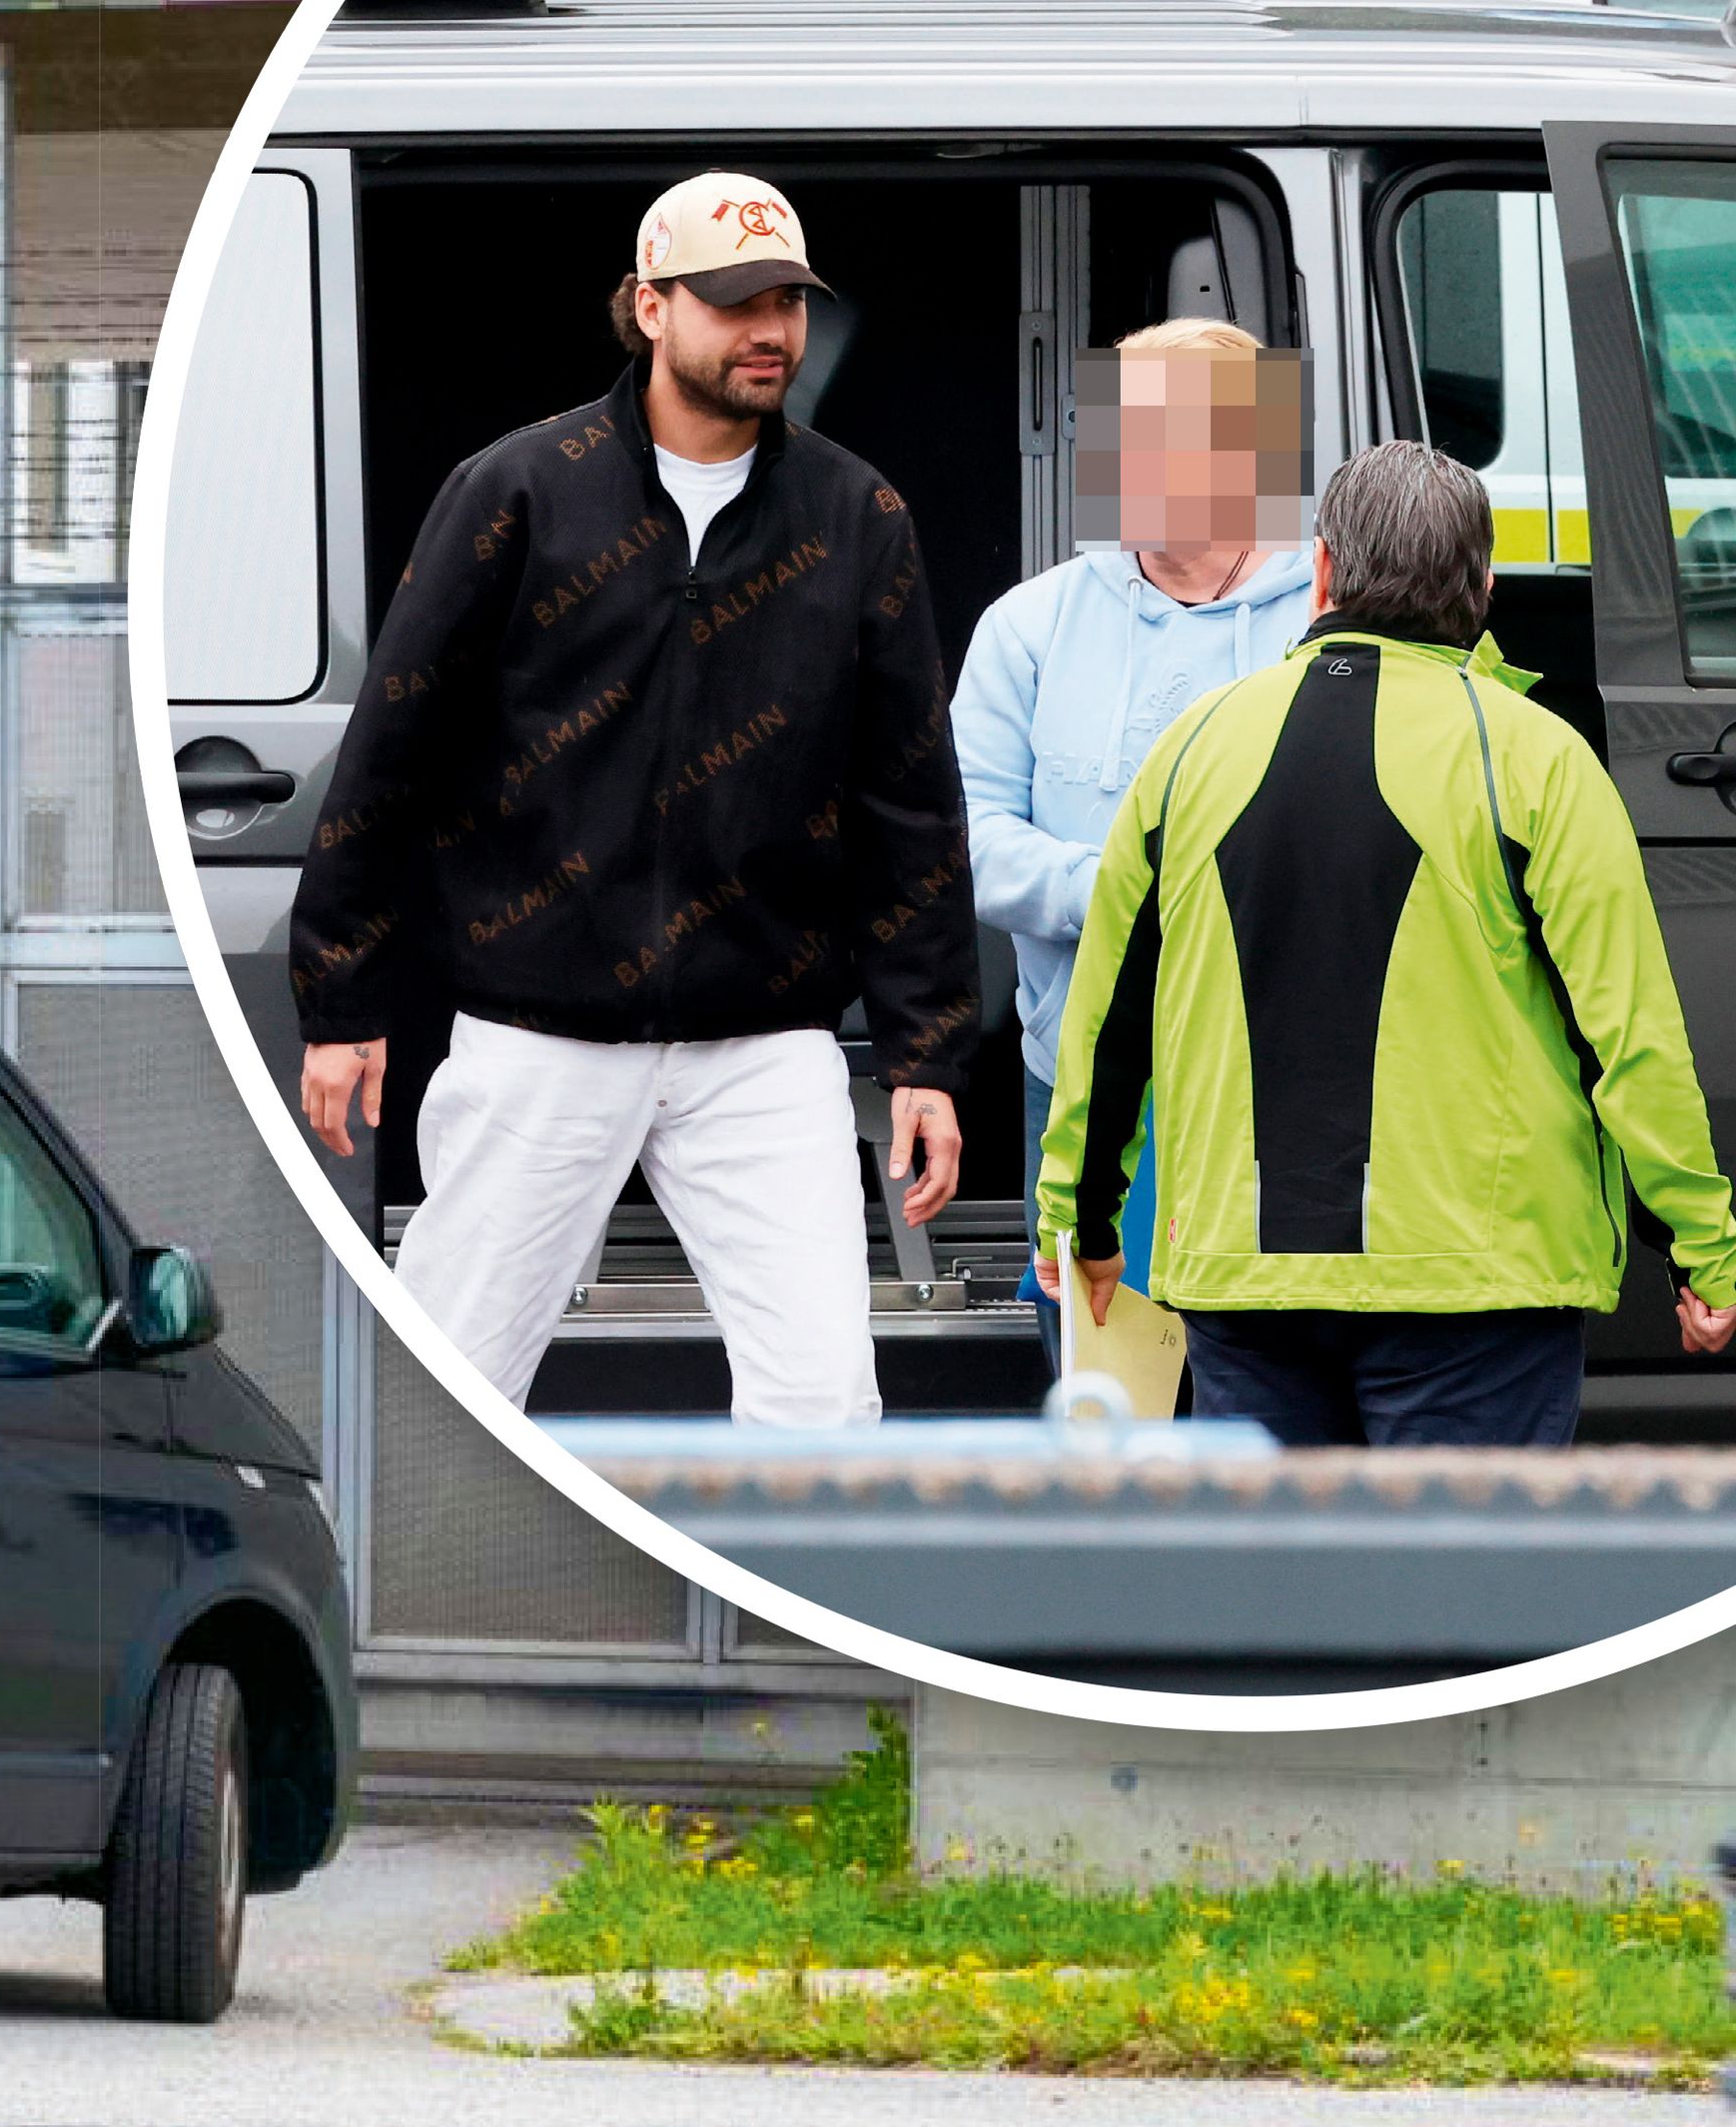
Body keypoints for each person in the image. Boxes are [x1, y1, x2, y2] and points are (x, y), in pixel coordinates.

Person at [290, 171, 976, 1425]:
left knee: (825, 1406)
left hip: (761, 1046)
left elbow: (907, 801)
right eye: (733, 302)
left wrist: (926, 1053)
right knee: (446, 1388)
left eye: (787, 301)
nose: (769, 329)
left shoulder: (856, 514)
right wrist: (341, 999)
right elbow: (393, 748)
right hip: (539, 1033)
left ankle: (795, 1623)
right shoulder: (517, 491)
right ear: (648, 306)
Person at [1036, 439, 1736, 1448]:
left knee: (1284, 1598)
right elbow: (1627, 1041)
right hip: (1474, 1289)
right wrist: (1700, 1255)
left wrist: (1083, 1222)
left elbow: (1106, 1029)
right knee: (1460, 1599)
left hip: (1244, 1283)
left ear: (1322, 570)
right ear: (1484, 587)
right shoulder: (1535, 758)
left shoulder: (1187, 752)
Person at [955, 317, 1316, 1366]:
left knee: (1273, 1410)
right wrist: (1123, 892)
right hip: (1078, 1081)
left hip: (1285, 1088)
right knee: (1108, 1409)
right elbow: (967, 838)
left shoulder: (1329, 619)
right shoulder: (1027, 627)